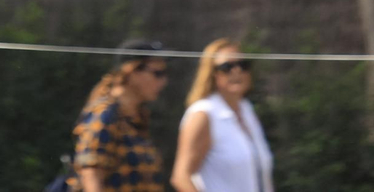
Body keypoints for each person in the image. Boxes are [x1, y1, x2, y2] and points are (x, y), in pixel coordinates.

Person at [67, 39, 170, 192]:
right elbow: (90, 174)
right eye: (158, 73)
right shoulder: (105, 114)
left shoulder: (135, 119)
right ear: (132, 71)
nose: (164, 81)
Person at [171, 39, 273, 192]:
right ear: (212, 74)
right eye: (227, 67)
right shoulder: (204, 114)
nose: (236, 71)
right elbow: (181, 177)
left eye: (243, 66)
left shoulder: (246, 110)